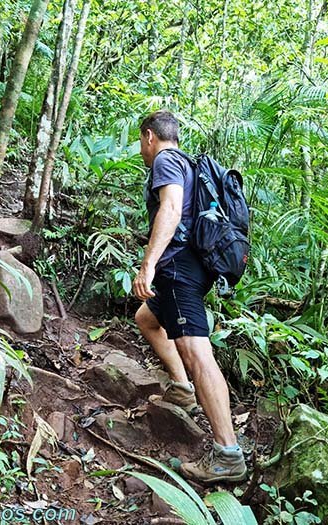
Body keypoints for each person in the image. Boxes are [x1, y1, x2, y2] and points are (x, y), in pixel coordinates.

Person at [133, 110, 247, 484]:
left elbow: (170, 208)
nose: (142, 149)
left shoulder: (165, 161)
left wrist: (148, 263)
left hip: (178, 267)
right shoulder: (189, 163)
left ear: (150, 136)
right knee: (147, 319)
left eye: (141, 142)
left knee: (198, 353)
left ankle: (228, 453)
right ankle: (183, 389)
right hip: (190, 267)